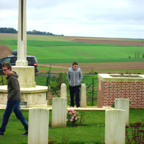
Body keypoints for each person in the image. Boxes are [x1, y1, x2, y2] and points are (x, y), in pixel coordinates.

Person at [0, 62, 28, 136]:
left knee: (6, 115)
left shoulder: (12, 77)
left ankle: (1, 131)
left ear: (9, 69)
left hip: (13, 100)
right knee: (19, 115)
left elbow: (16, 89)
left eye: (5, 70)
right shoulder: (11, 76)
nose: (4, 71)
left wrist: (10, 97)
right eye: (3, 70)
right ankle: (28, 129)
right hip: (16, 99)